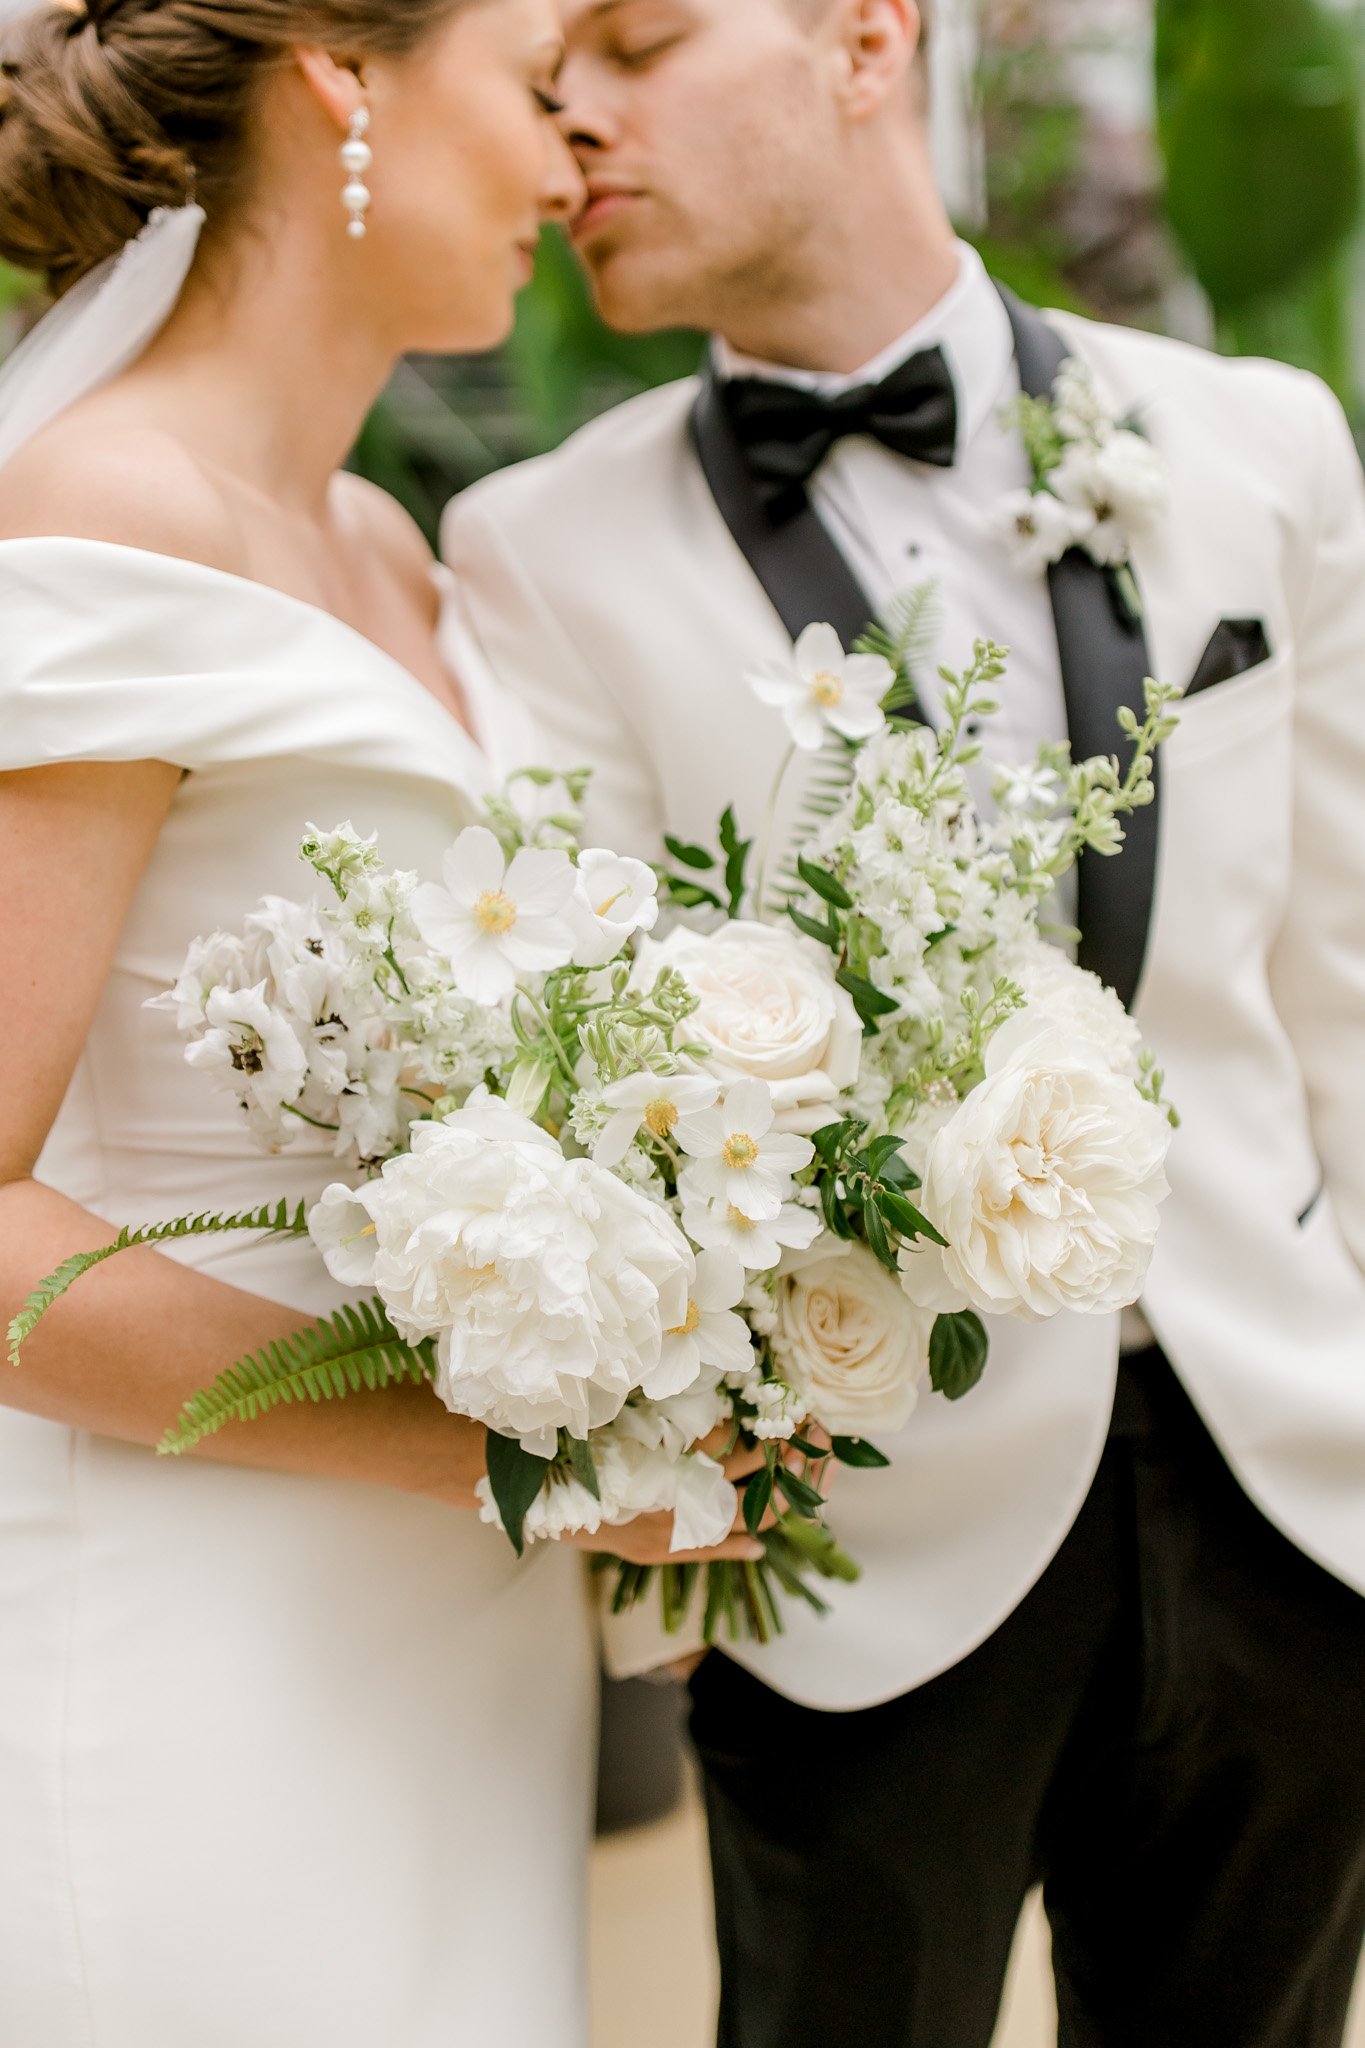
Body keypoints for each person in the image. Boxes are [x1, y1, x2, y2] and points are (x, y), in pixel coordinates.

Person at [441, 2, 1365, 2042]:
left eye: (638, 41)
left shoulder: (1257, 444)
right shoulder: (530, 554)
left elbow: (1340, 977)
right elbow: (573, 1080)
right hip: (856, 1543)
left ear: (861, 34)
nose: (571, 115)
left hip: (1287, 1491)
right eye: (542, 75)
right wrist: (645, 1479)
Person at [0, 2, 764, 2042]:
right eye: (528, 90)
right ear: (341, 73)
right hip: (202, 1623)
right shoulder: (100, 514)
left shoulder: (391, 554)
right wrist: (494, 1453)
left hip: (455, 1644)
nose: (562, 161)